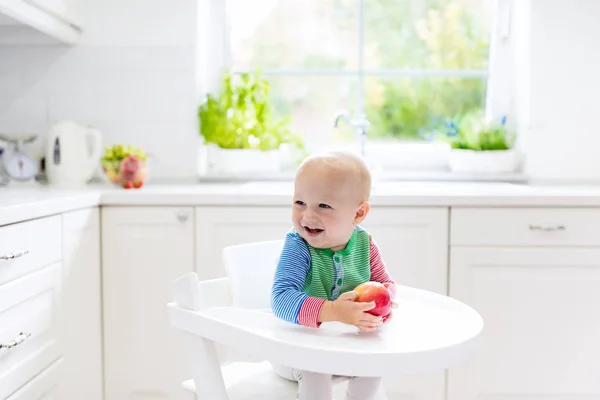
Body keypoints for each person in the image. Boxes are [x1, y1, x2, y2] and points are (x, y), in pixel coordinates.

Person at [271, 150, 397, 400]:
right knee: (317, 370)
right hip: (295, 349)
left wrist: (382, 305)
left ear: (358, 214)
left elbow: (385, 284)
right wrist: (333, 311)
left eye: (323, 206)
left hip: (344, 347)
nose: (307, 215)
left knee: (372, 367)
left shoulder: (364, 244)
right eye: (300, 203)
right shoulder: (299, 246)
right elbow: (281, 298)